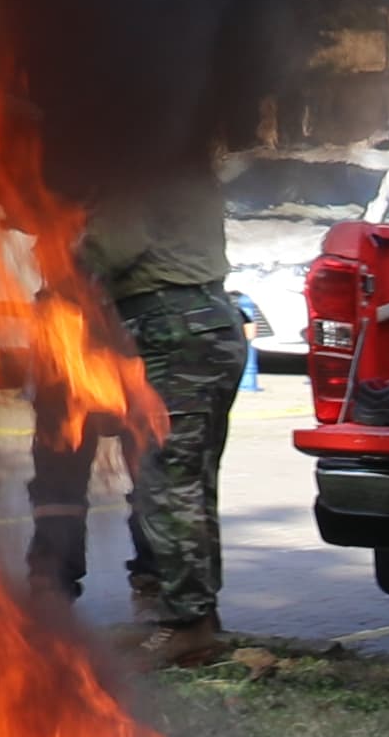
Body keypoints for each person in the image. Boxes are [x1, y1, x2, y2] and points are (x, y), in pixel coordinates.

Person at [27, 154, 249, 666]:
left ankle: (186, 624)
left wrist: (65, 255)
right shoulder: (185, 162)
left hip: (174, 329)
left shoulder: (141, 167)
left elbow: (107, 250)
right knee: (191, 480)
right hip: (208, 323)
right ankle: (197, 618)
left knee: (166, 482)